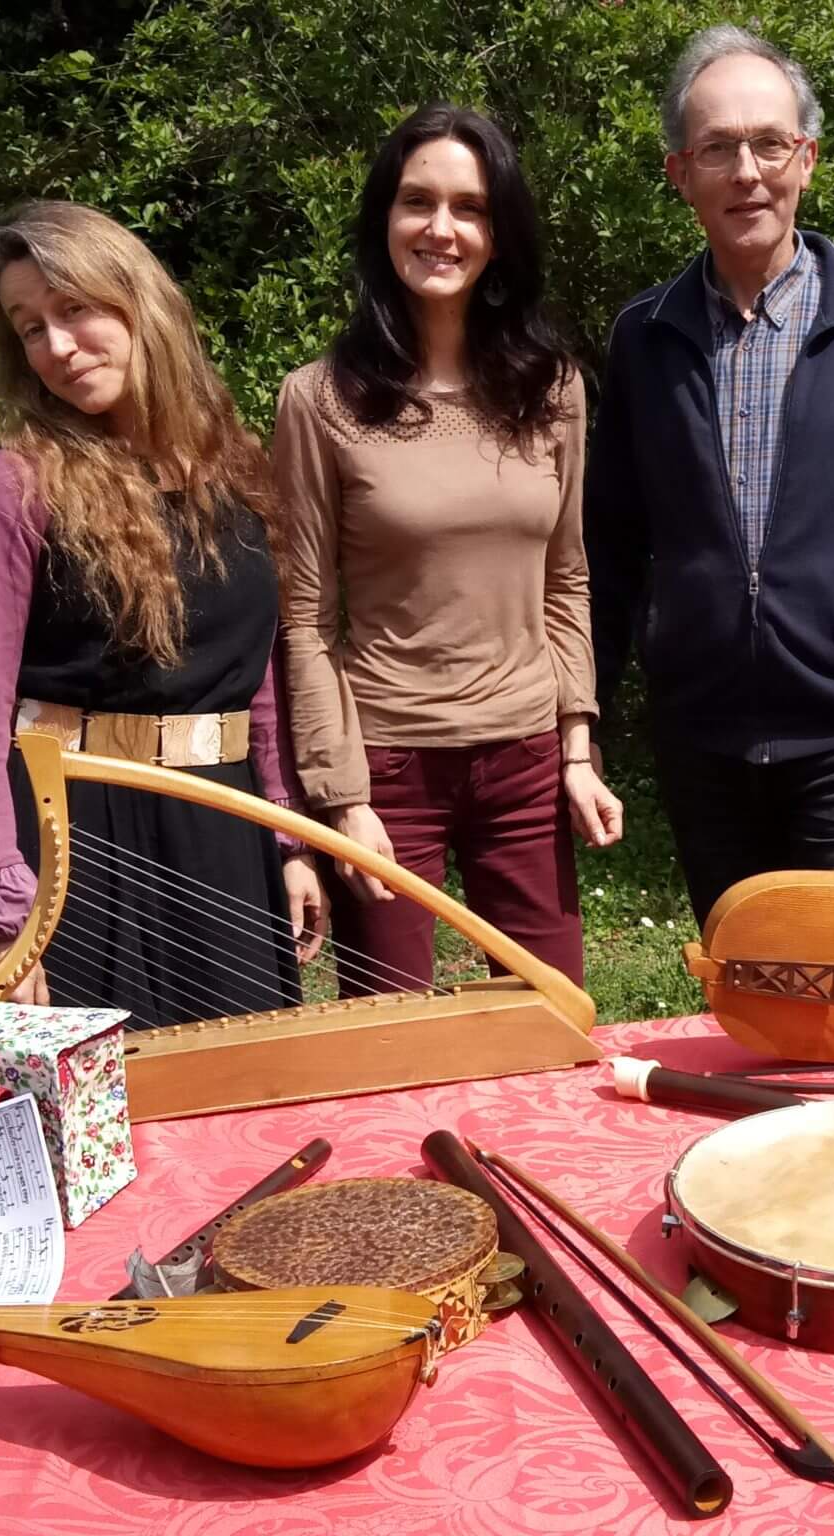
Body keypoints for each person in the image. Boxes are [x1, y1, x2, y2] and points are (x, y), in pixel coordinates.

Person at [586, 24, 834, 929]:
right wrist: (590, 720)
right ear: (679, 172)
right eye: (717, 148)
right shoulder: (644, 336)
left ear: (807, 158)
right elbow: (607, 548)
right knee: (751, 995)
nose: (747, 171)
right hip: (704, 744)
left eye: (769, 143)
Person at [0, 200, 325, 1026]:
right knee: (84, 1135)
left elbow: (252, 678)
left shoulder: (235, 469)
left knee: (230, 1113)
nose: (57, 348)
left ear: (139, 300)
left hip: (223, 829)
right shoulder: (11, 487)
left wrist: (284, 839)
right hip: (69, 844)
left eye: (74, 309)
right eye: (29, 326)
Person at [272, 104, 622, 996]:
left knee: (550, 1018)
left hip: (528, 760)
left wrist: (578, 747)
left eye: (468, 207)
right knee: (393, 1035)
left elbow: (567, 578)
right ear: (383, 221)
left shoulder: (553, 392)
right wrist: (340, 797)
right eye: (416, 202)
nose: (441, 228)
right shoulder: (320, 400)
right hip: (388, 767)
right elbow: (305, 618)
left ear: (497, 234)